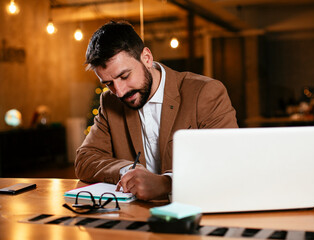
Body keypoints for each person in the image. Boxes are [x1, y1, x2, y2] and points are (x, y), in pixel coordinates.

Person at [75, 21, 238, 201]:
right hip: (135, 219)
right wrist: (129, 171)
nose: (119, 91)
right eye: (108, 84)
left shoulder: (206, 92)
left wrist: (167, 183)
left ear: (146, 58)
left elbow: (227, 164)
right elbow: (84, 160)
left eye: (124, 76)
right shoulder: (109, 102)